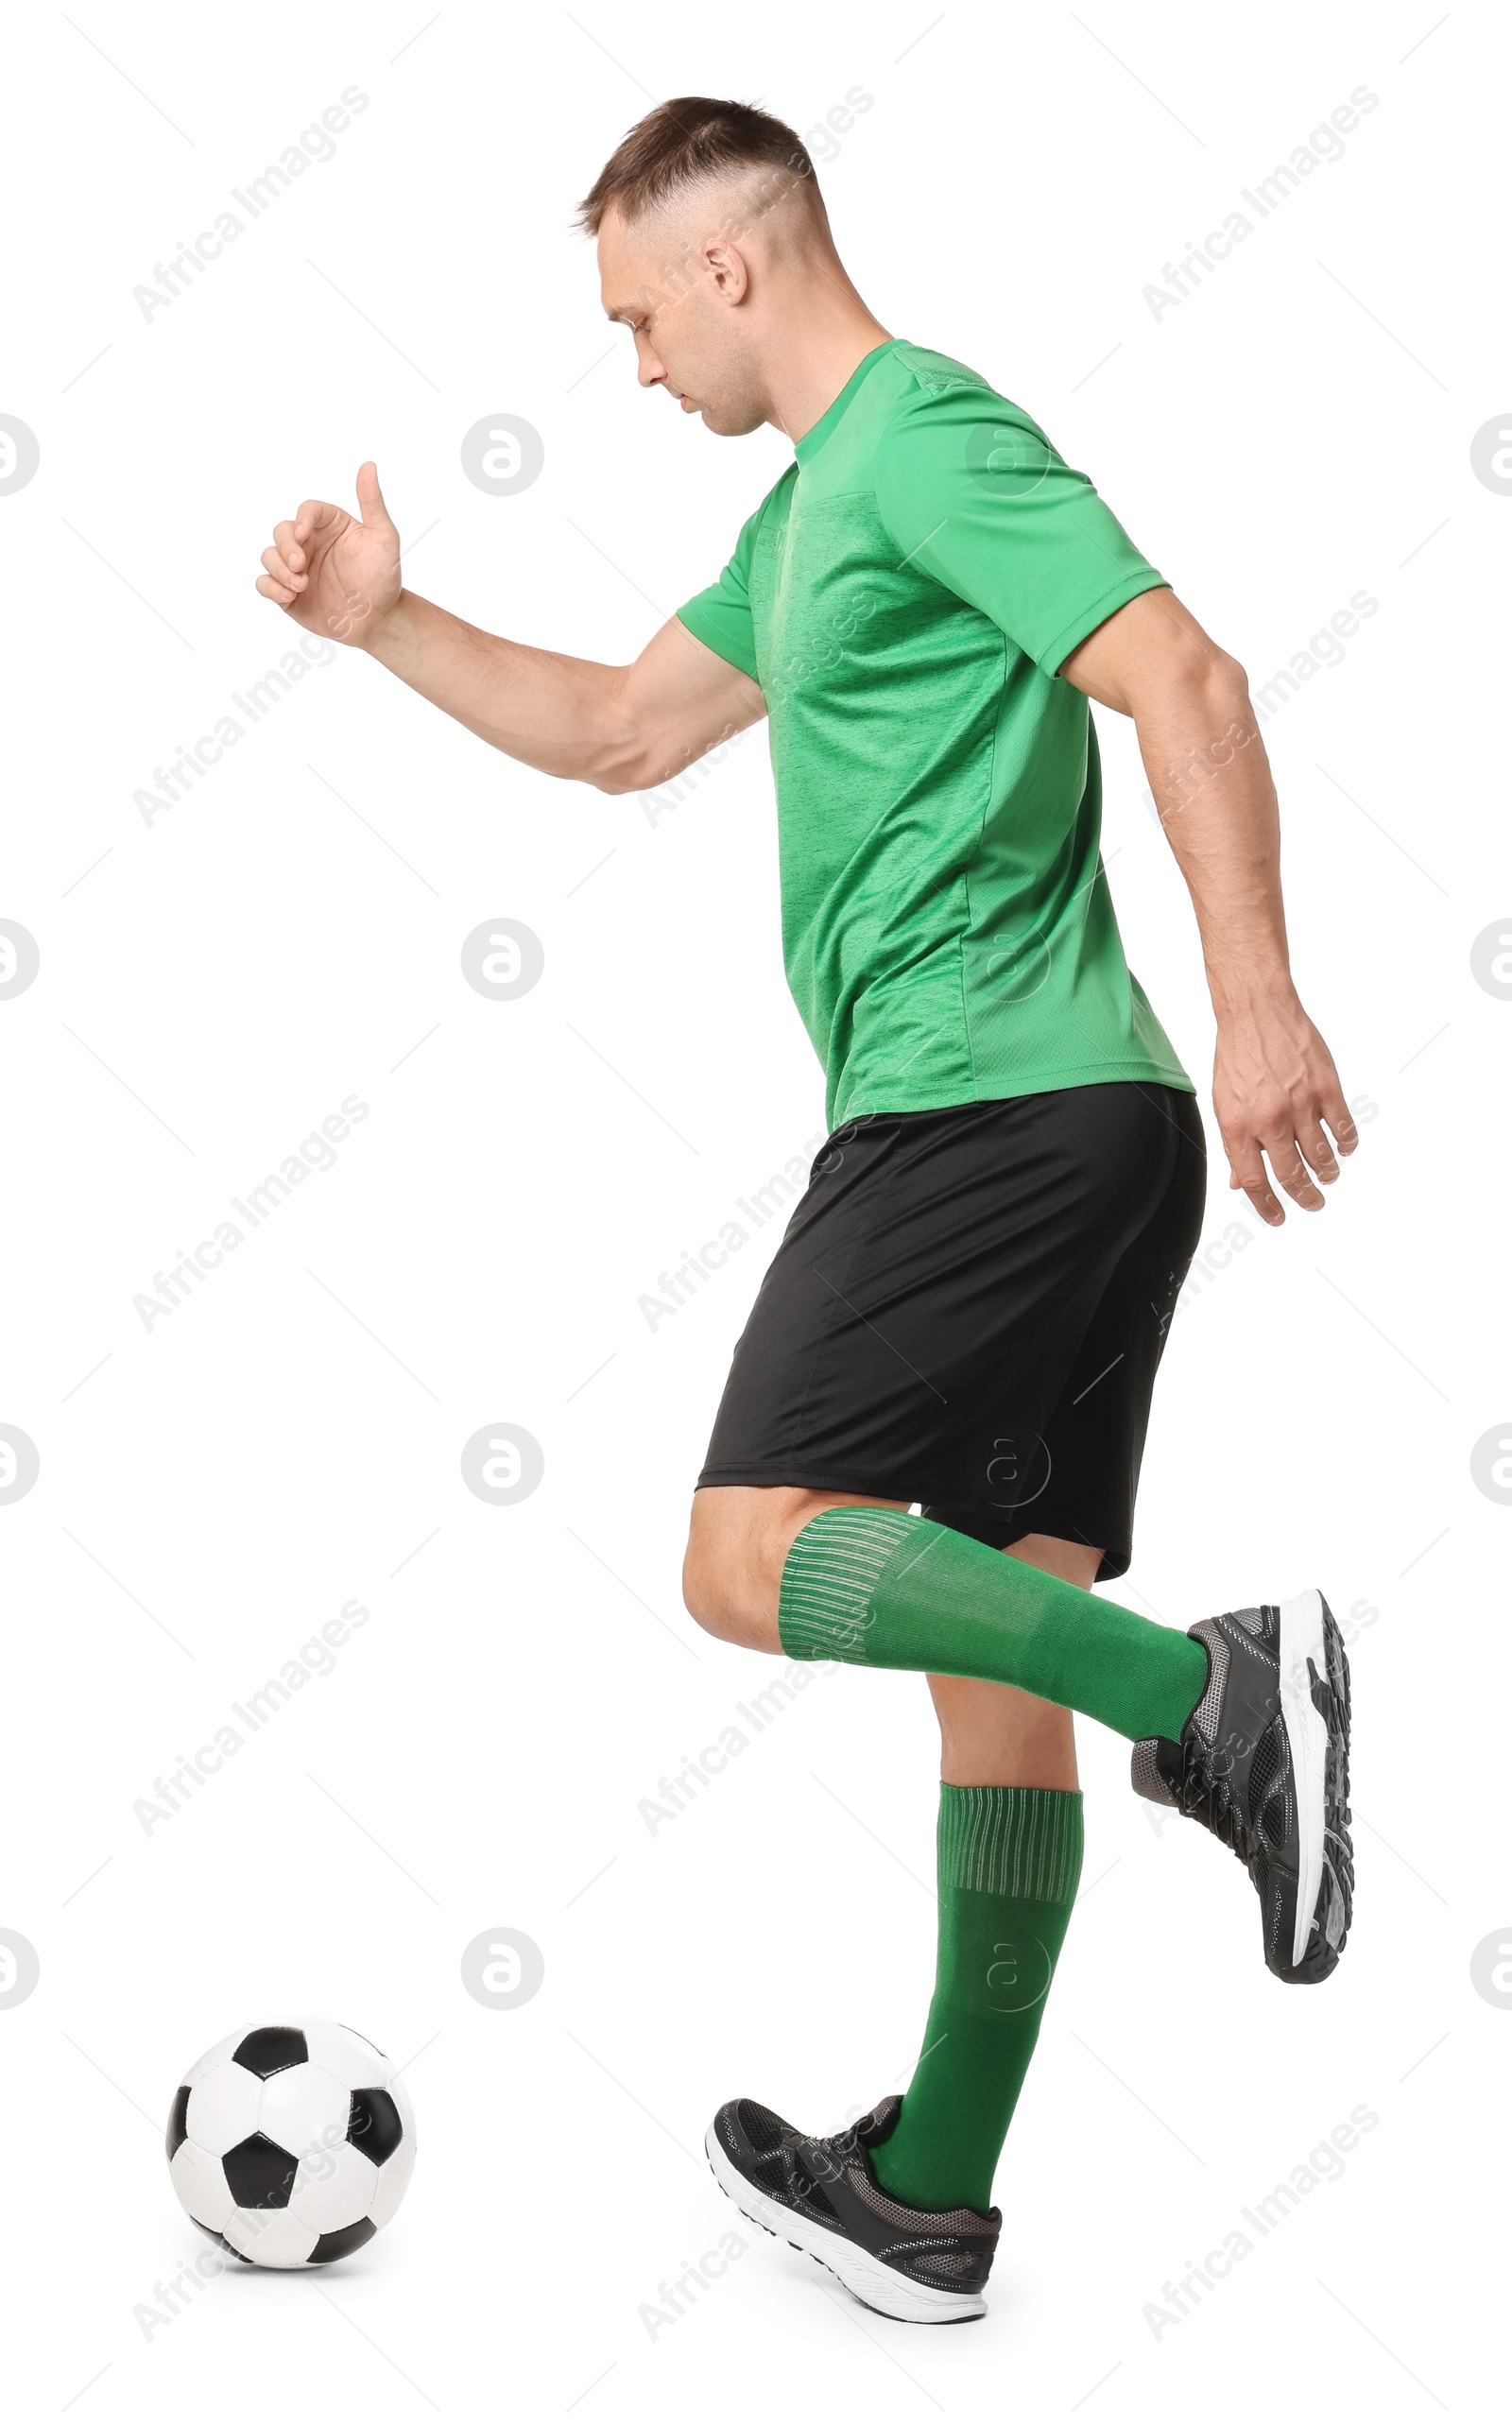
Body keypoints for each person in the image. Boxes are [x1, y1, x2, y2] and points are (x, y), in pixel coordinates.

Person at [254, 95, 1357, 2326]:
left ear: (730, 267)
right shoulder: (801, 523)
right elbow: (617, 732)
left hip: (991, 1110)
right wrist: (386, 622)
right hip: (1060, 1131)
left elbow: (1184, 677)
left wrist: (1258, 1000)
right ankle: (928, 2191)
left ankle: (1215, 1693)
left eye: (638, 319)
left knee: (743, 1552)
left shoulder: (922, 438)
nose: (637, 369)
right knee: (978, 1658)